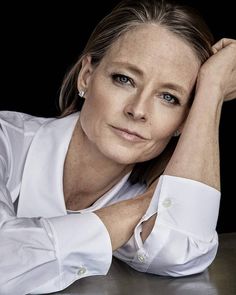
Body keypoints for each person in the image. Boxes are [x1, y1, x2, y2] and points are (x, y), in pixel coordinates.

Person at [0, 0, 235, 293]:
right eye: (124, 79)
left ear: (182, 123)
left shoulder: (138, 188)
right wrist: (139, 209)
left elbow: (183, 250)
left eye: (169, 97)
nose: (138, 110)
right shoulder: (5, 140)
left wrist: (211, 90)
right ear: (86, 76)